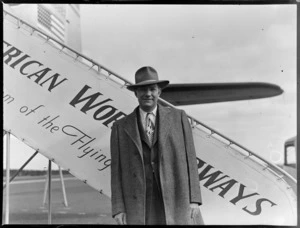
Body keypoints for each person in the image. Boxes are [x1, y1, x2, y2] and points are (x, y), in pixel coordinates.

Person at [110, 66, 204, 225]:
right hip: (139, 202)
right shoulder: (120, 126)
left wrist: (194, 199)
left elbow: (190, 160)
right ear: (136, 93)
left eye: (152, 89)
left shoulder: (178, 117)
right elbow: (116, 171)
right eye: (143, 90)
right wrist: (118, 208)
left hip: (175, 196)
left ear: (159, 92)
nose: (148, 94)